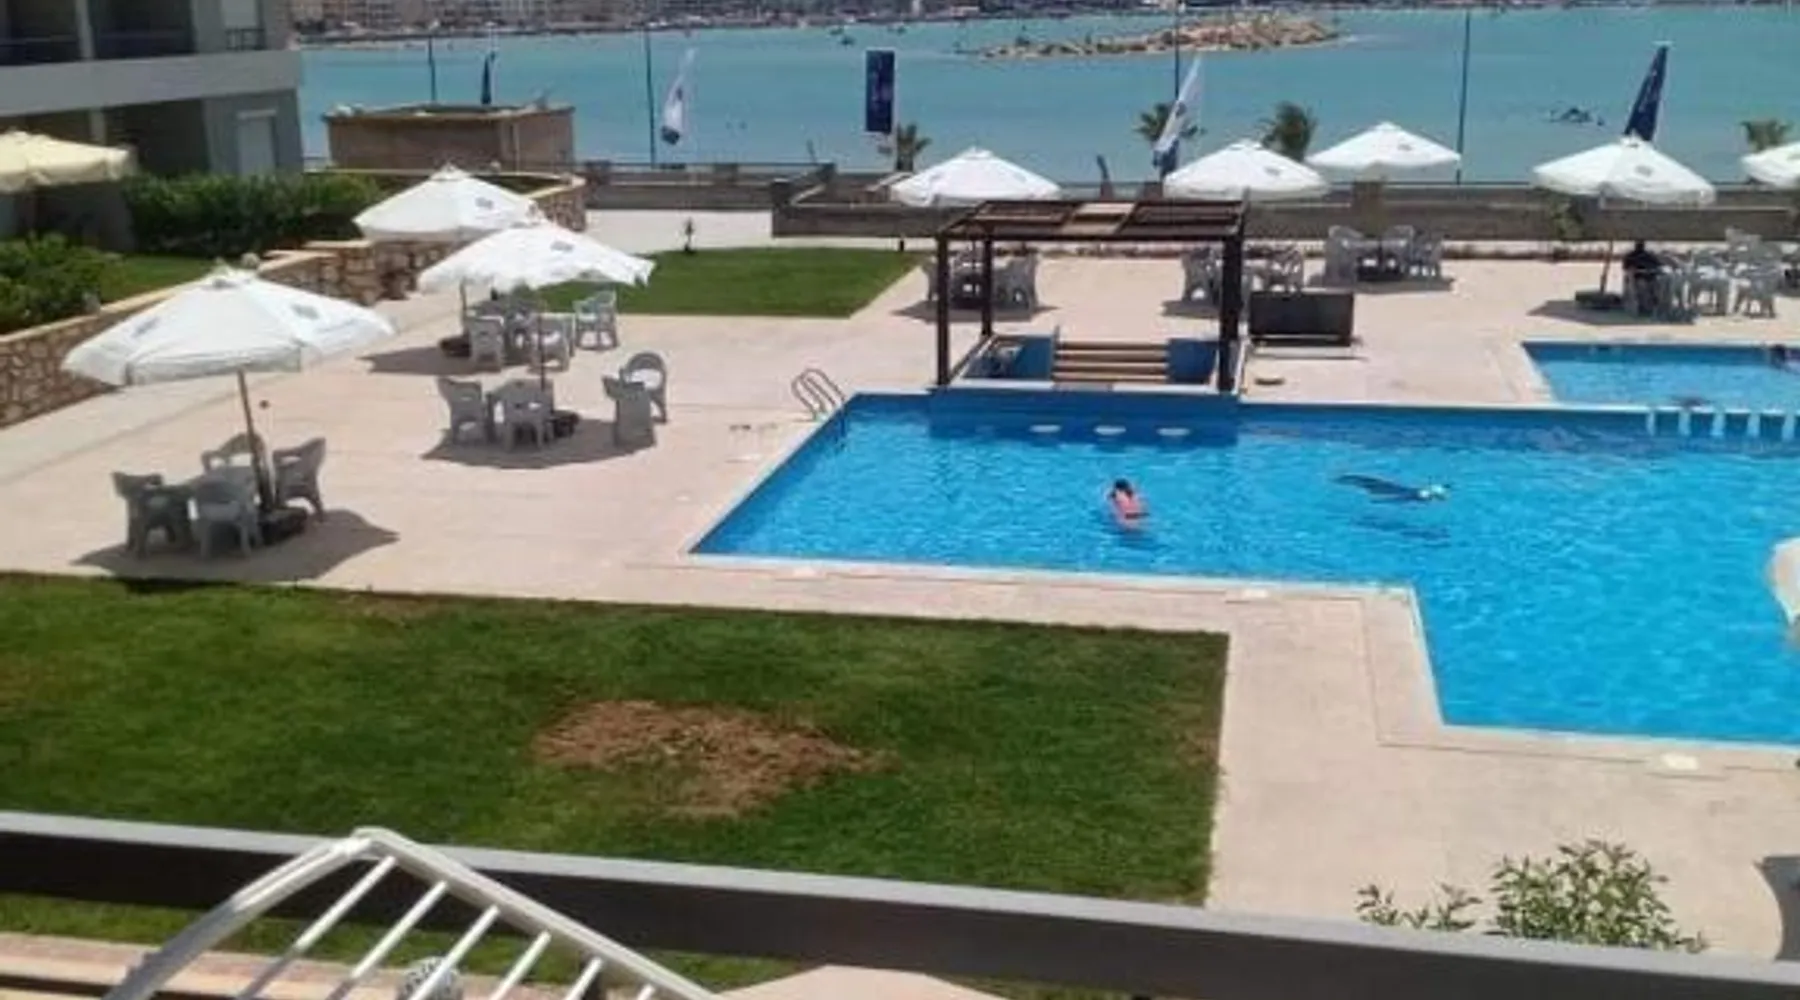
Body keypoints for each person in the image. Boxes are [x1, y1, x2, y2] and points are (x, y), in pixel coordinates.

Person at [1336, 474, 1448, 503]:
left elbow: (1397, 499)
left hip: (1396, 490)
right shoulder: (1419, 494)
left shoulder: (1418, 494)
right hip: (1397, 490)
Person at [1620, 241, 1662, 315]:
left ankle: (1653, 305)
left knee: (1657, 285)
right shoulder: (1631, 256)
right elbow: (1626, 268)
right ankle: (1641, 307)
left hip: (1649, 277)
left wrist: (1650, 271)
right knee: (1642, 284)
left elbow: (1657, 266)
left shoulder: (1649, 256)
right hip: (1636, 278)